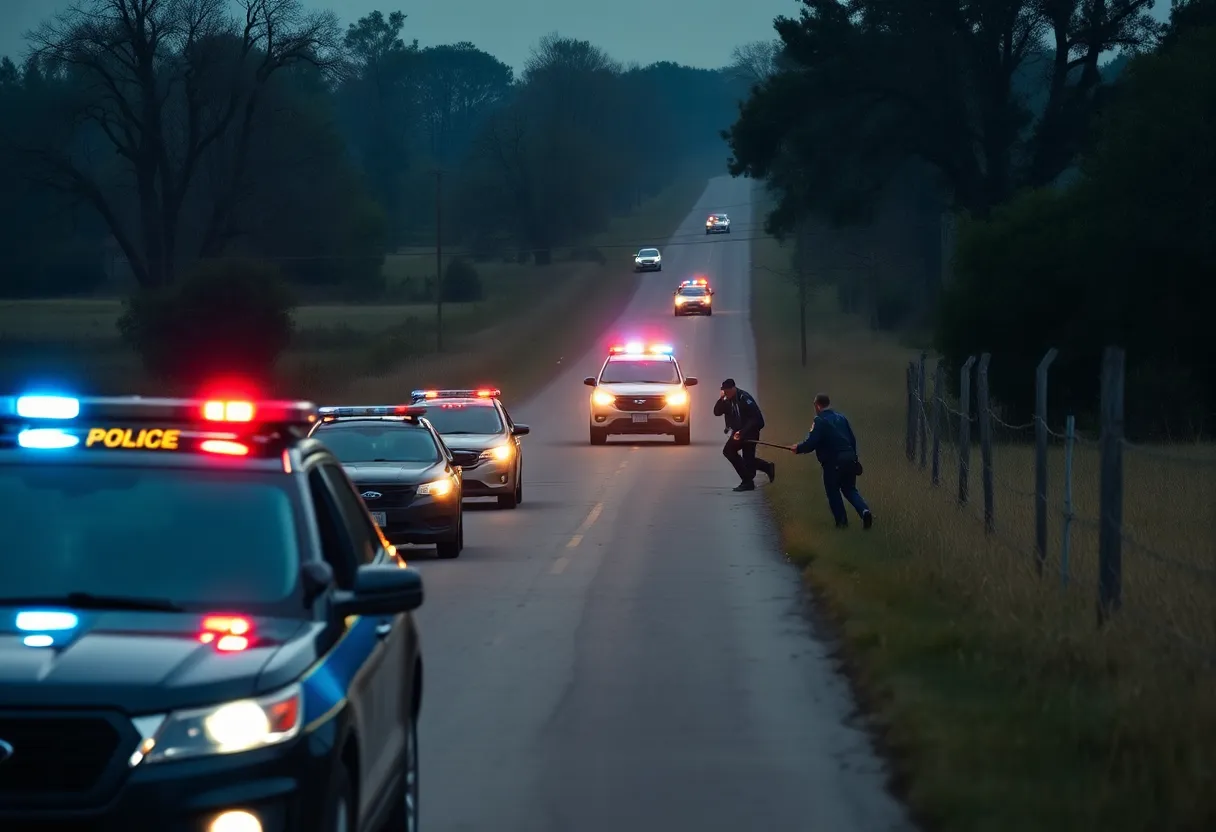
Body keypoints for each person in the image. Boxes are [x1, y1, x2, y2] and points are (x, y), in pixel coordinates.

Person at [786, 393, 873, 529]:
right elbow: (852, 439)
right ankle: (864, 511)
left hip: (833, 462)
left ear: (817, 405)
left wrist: (798, 448)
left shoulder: (819, 421)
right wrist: (854, 458)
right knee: (849, 489)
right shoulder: (842, 418)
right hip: (849, 458)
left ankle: (842, 523)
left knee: (833, 491)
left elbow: (812, 442)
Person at [713, 378, 775, 491]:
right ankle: (764, 468)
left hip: (750, 432)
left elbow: (756, 419)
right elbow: (717, 412)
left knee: (745, 458)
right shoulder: (727, 400)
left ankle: (748, 481)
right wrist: (721, 399)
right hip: (738, 433)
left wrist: (743, 432)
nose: (725, 393)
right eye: (723, 391)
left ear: (733, 389)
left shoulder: (744, 398)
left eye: (726, 391)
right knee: (731, 453)